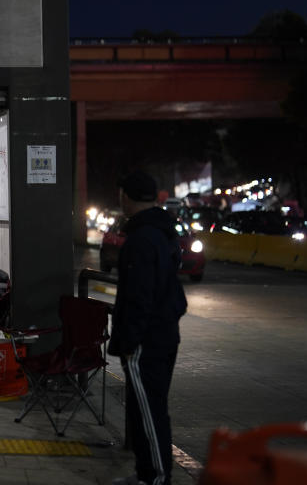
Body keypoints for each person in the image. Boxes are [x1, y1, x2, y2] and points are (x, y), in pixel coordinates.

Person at [109, 170, 187, 485]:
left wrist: (130, 341)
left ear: (126, 196)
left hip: (146, 342)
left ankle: (155, 478)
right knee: (149, 410)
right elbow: (175, 295)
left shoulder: (142, 239)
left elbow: (139, 296)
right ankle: (146, 474)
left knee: (149, 414)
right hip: (163, 335)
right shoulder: (163, 232)